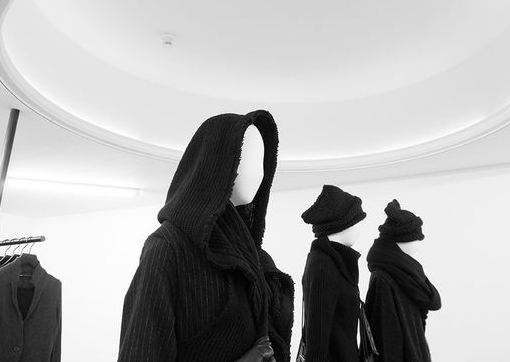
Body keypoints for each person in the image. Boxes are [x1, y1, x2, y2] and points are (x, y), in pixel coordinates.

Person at [118, 110, 294, 362]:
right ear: (217, 162)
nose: (259, 173)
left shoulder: (253, 256)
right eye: (245, 159)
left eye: (261, 162)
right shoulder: (168, 248)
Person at [365, 200, 441, 362]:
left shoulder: (409, 273)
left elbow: (431, 303)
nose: (418, 243)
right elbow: (385, 337)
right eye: (415, 238)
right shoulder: (383, 278)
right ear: (401, 240)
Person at [300, 184, 366, 362]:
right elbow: (317, 338)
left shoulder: (335, 262)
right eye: (356, 222)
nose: (359, 230)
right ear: (341, 225)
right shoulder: (323, 265)